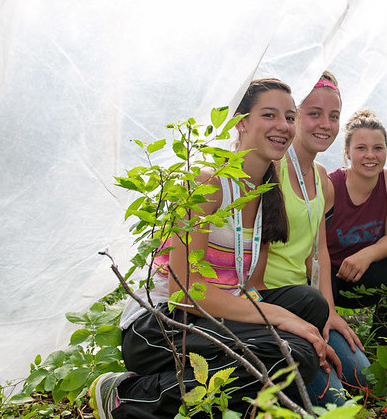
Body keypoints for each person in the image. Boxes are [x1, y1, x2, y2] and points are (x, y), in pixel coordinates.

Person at [89, 78, 339, 418]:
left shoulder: (267, 193)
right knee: (291, 353)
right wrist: (281, 321)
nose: (283, 126)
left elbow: (250, 288)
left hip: (219, 313)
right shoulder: (206, 182)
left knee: (309, 305)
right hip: (161, 325)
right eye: (269, 115)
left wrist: (295, 323)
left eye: (290, 117)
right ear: (241, 122)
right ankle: (129, 397)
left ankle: (242, 402)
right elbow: (184, 291)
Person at [261, 72, 370, 406]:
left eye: (334, 116)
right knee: (335, 401)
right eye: (314, 114)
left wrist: (330, 314)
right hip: (270, 302)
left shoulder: (322, 180)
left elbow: (319, 251)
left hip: (307, 302)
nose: (326, 124)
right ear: (294, 117)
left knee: (364, 378)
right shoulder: (271, 168)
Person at [325, 108, 387, 345]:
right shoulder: (330, 185)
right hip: (329, 280)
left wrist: (365, 256)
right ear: (347, 153)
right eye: (361, 148)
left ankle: (383, 344)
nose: (371, 155)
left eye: (378, 148)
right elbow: (312, 247)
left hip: (365, 276)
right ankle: (326, 332)